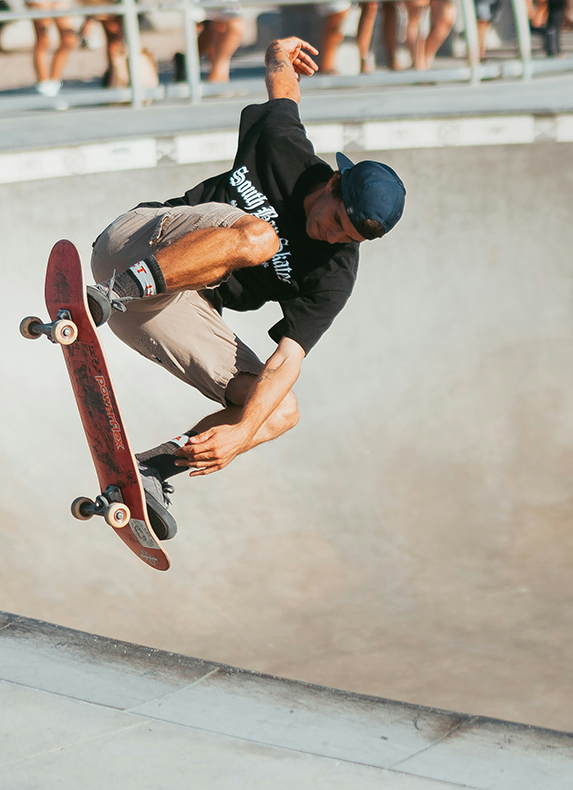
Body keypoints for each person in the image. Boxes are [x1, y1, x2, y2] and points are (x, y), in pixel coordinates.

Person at [87, 36, 406, 540]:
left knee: (277, 410)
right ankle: (114, 292)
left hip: (166, 309)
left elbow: (288, 358)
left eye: (350, 237)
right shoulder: (285, 149)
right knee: (260, 237)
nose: (334, 237)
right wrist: (279, 52)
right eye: (337, 220)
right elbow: (283, 88)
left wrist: (240, 434)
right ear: (332, 185)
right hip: (135, 244)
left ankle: (146, 472)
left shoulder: (334, 273)